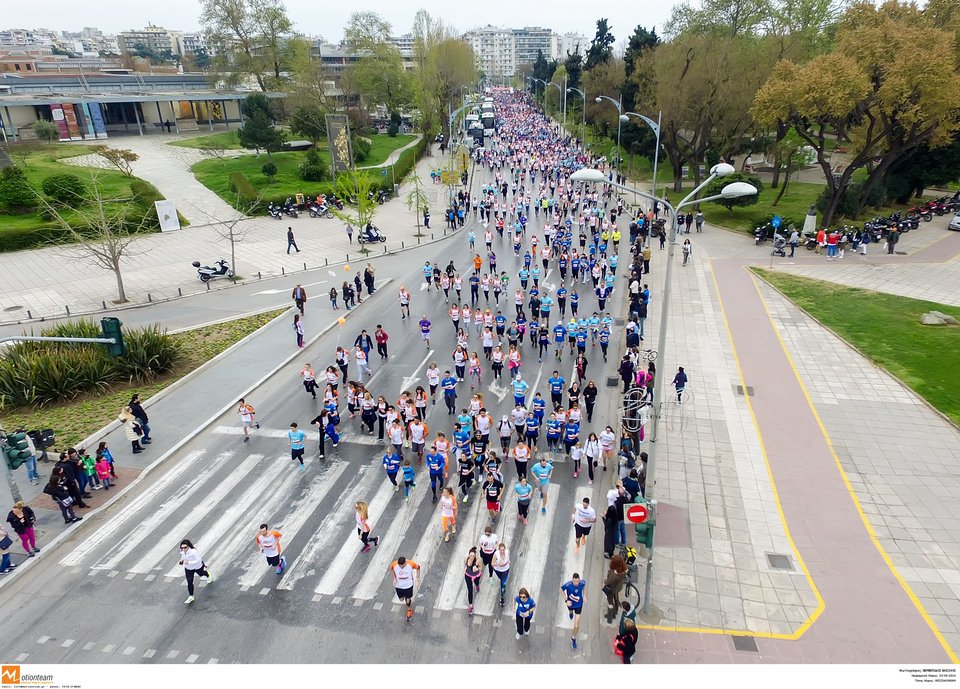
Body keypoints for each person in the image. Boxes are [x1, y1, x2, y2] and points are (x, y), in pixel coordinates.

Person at [178, 539, 212, 604]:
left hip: (197, 566)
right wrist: (181, 561)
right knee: (189, 582)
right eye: (182, 547)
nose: (183, 549)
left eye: (185, 547)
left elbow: (198, 560)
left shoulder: (193, 552)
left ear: (188, 546)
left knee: (202, 574)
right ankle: (191, 596)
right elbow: (183, 557)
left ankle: (208, 575)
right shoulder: (182, 551)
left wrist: (188, 562)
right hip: (188, 568)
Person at [389, 556, 421, 621]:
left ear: (405, 562)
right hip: (399, 586)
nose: (401, 567)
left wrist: (417, 578)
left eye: (402, 566)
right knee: (401, 599)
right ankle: (406, 598)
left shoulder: (410, 563)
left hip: (408, 585)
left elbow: (418, 567)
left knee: (408, 599)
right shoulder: (394, 564)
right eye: (400, 566)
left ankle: (409, 609)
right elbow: (391, 569)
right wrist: (394, 579)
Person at [560, 573, 586, 649]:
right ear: (572, 580)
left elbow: (584, 586)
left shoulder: (582, 583)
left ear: (579, 580)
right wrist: (566, 600)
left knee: (576, 625)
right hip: (570, 604)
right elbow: (561, 589)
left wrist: (584, 595)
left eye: (577, 581)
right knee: (571, 612)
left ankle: (573, 638)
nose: (576, 583)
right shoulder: (568, 585)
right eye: (574, 581)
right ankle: (570, 613)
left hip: (579, 605)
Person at [603, 555, 628, 622]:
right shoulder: (622, 571)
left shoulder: (614, 575)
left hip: (612, 588)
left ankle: (611, 615)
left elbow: (608, 582)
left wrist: (604, 581)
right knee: (616, 598)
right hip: (618, 587)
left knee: (610, 601)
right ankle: (616, 609)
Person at [464, 546, 482, 614]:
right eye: (470, 556)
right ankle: (471, 606)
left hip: (476, 575)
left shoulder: (478, 560)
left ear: (475, 556)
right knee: (470, 590)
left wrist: (477, 568)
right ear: (468, 555)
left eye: (473, 556)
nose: (471, 557)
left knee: (476, 582)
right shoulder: (466, 559)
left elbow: (481, 567)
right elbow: (465, 565)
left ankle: (477, 585)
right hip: (468, 575)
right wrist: (464, 569)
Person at [492, 542, 511, 607]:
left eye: (503, 550)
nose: (502, 551)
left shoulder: (507, 552)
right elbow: (492, 563)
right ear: (499, 549)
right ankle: (502, 582)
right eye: (501, 550)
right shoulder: (496, 554)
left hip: (505, 570)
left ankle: (502, 598)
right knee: (501, 579)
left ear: (505, 549)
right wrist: (498, 564)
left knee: (503, 584)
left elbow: (508, 558)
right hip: (498, 570)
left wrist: (508, 561)